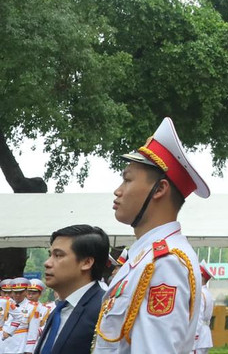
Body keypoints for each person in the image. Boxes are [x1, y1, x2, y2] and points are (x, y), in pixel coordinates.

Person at [93, 118, 209, 354]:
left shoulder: (166, 263)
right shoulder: (144, 258)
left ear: (159, 189)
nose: (118, 190)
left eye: (127, 179)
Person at [34, 225, 109, 354]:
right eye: (50, 255)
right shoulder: (59, 309)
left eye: (58, 255)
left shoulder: (104, 310)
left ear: (86, 263)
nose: (47, 263)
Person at [190, 265, 213, 354]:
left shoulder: (199, 294)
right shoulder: (207, 293)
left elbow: (198, 318)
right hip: (205, 335)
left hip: (198, 338)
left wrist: (194, 338)